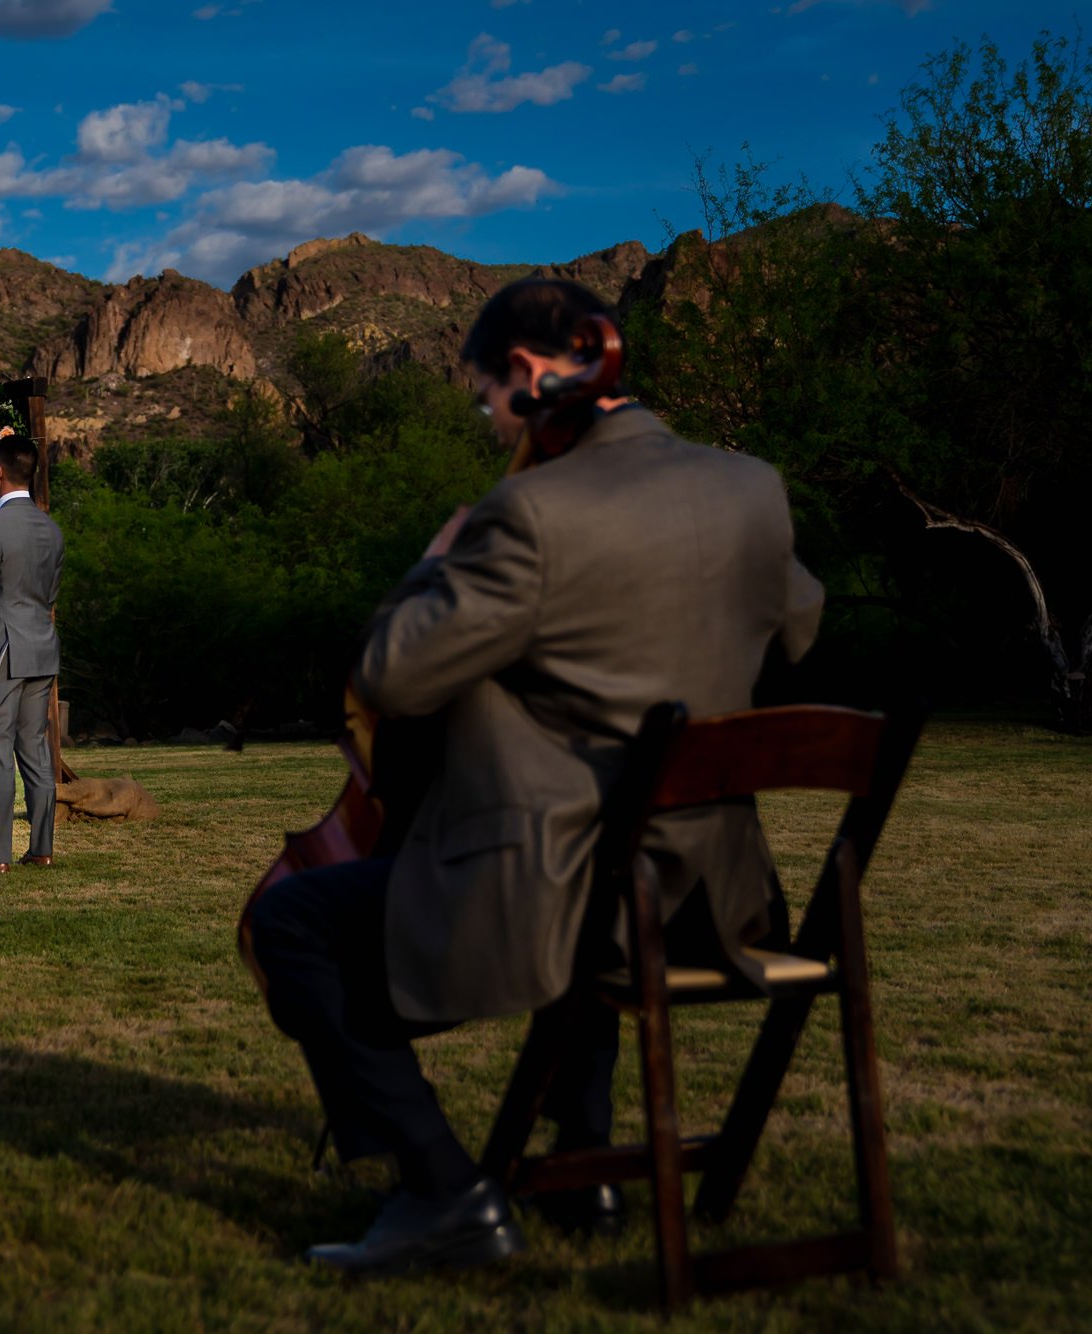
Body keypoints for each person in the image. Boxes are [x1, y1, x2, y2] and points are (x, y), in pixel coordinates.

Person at [244, 278, 826, 1276]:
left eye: (483, 397)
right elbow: (798, 626)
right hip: (711, 893)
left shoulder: (528, 513)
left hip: (567, 895)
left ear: (525, 373)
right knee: (589, 832)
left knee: (291, 919)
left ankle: (443, 1188)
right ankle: (585, 1163)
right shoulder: (750, 489)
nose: (487, 417)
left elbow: (391, 672)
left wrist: (437, 561)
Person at [0, 436, 64, 873]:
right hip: (42, 646)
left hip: (0, 649)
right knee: (35, 750)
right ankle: (41, 848)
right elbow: (51, 593)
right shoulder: (51, 527)